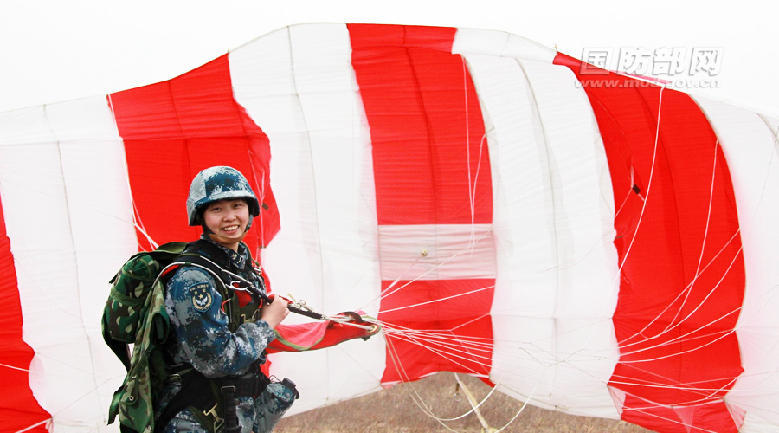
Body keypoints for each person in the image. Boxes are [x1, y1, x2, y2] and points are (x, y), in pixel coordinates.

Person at [156, 165, 294, 433]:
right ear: (201, 216)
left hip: (236, 411)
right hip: (196, 419)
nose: (230, 217)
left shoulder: (243, 268)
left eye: (237, 206)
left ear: (249, 210)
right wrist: (267, 323)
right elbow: (215, 360)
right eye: (217, 209)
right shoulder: (194, 278)